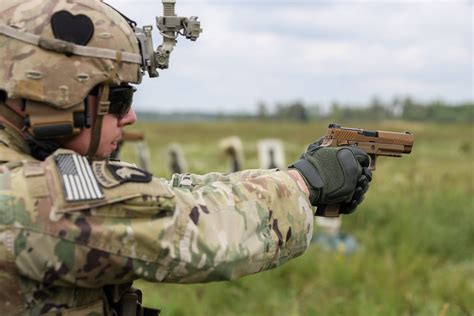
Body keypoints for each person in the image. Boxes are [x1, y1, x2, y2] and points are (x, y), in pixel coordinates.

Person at [0, 1, 372, 315]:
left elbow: (161, 196)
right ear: (54, 93)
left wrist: (292, 177)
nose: (130, 117)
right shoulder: (23, 198)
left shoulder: (23, 165)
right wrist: (305, 184)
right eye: (118, 100)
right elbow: (188, 228)